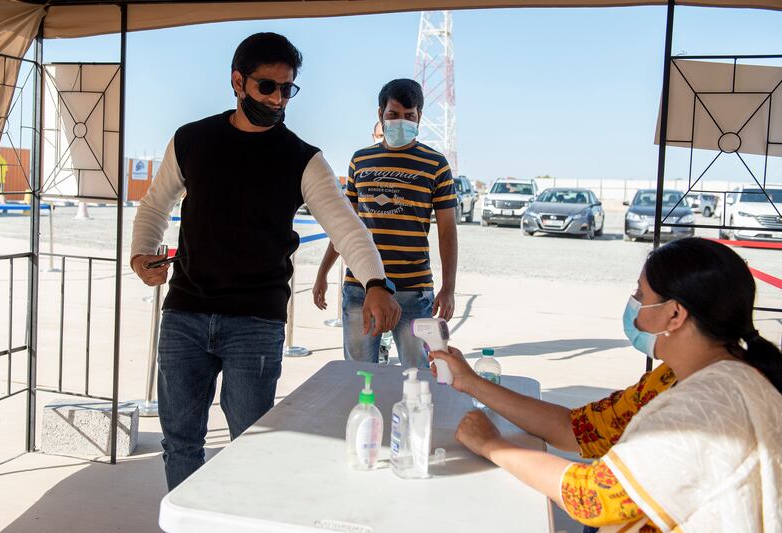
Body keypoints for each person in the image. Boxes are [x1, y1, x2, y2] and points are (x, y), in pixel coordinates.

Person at [130, 33, 400, 490]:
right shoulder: (192, 140)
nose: (278, 100)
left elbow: (347, 227)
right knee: (180, 441)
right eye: (266, 87)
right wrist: (141, 253)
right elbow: (155, 205)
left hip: (255, 322)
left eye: (286, 89)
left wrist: (376, 282)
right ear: (238, 82)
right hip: (185, 314)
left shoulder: (302, 159)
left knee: (249, 444)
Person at [431, 237, 782, 532]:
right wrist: (470, 382)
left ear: (675, 314)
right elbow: (578, 429)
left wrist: (493, 445)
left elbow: (594, 497)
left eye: (641, 296)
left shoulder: (706, 406)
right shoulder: (675, 377)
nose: (634, 307)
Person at [312, 79, 458, 369]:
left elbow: (447, 231)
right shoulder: (361, 161)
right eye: (393, 115)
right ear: (381, 114)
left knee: (416, 376)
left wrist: (449, 287)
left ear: (419, 117)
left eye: (409, 116)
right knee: (358, 374)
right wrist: (323, 272)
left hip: (414, 290)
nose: (401, 121)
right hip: (361, 287)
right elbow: (345, 226)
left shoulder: (436, 164)